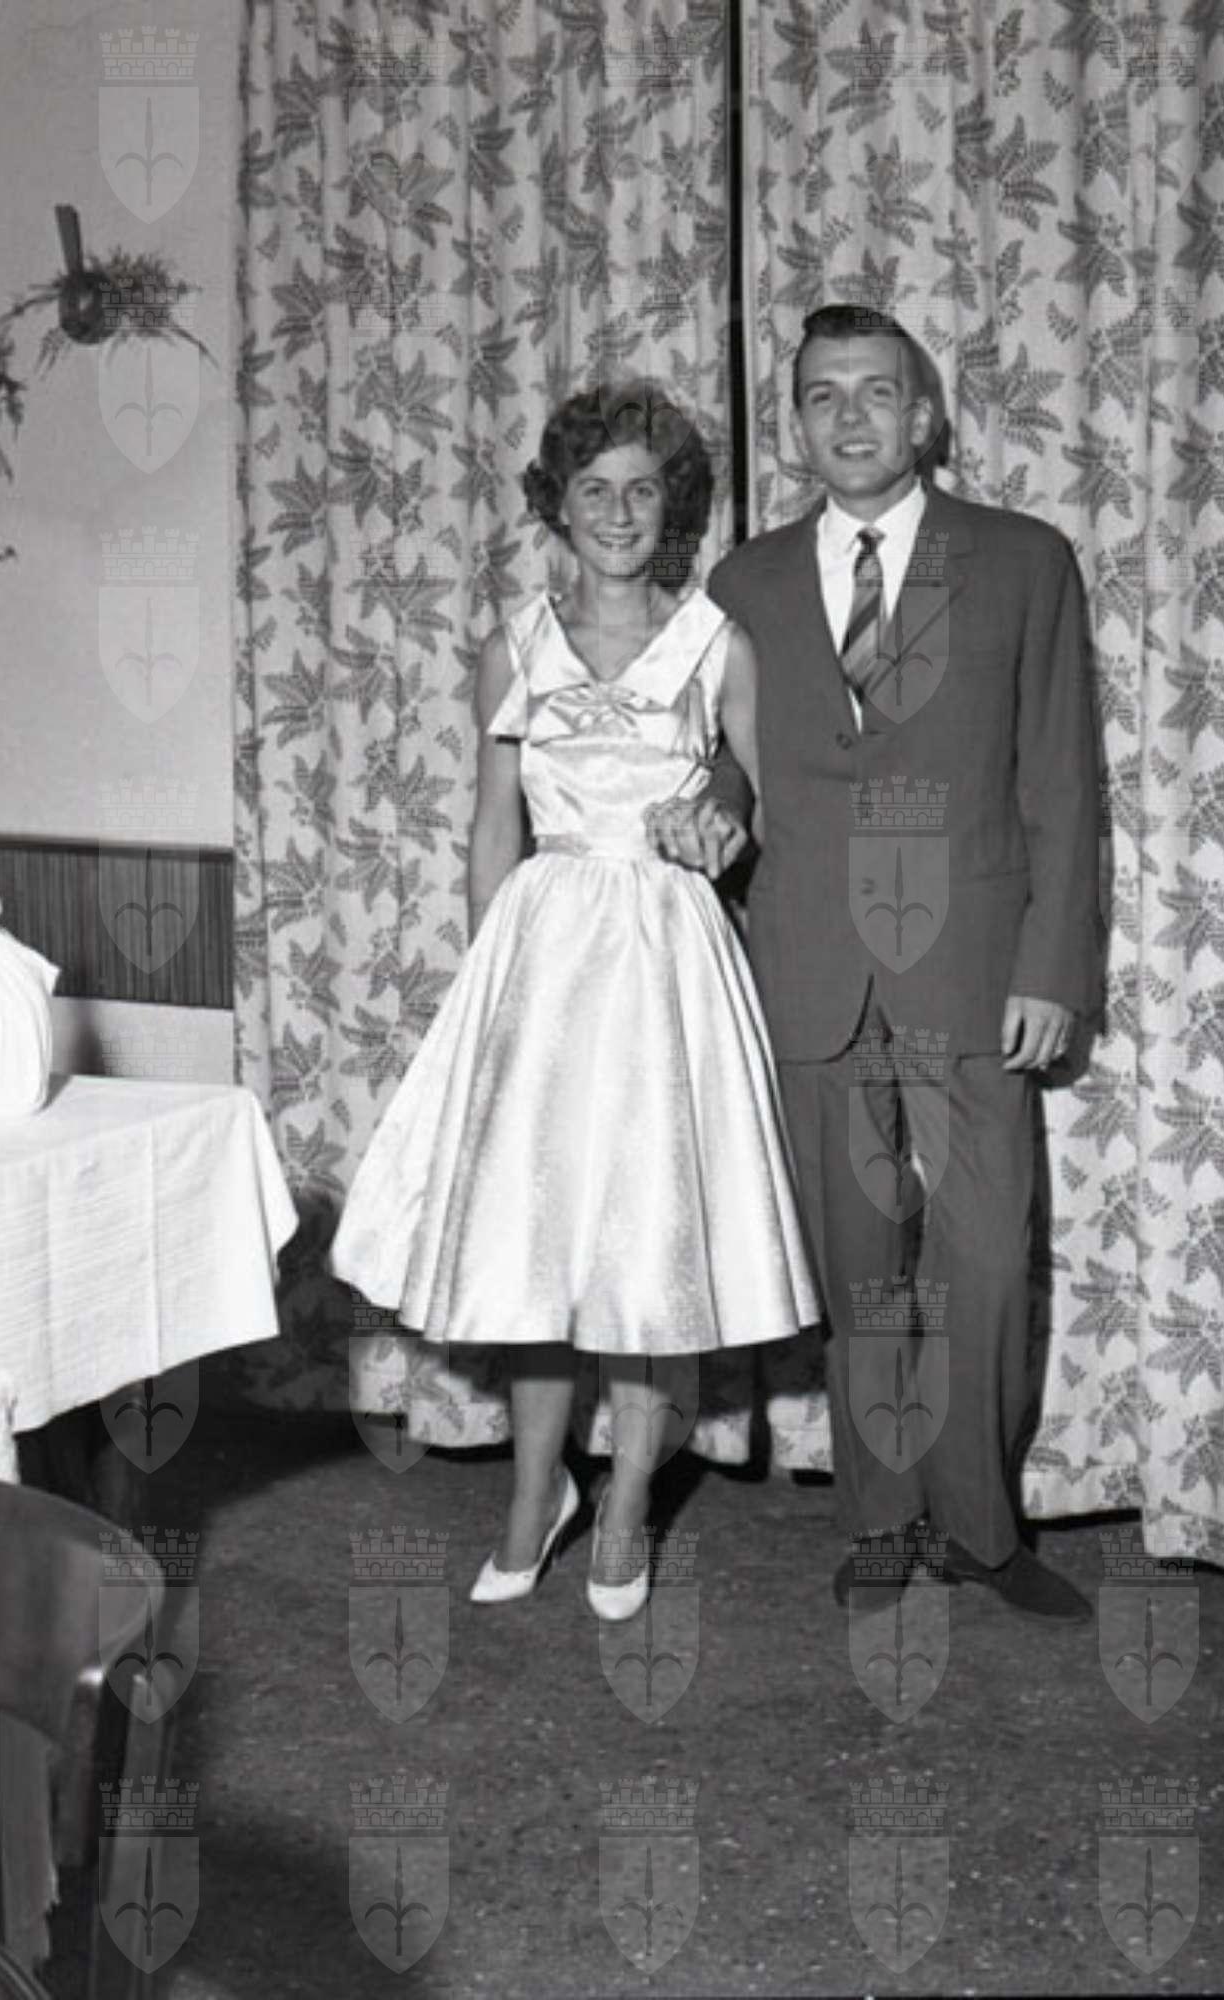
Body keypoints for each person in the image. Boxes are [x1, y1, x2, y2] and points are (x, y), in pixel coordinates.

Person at [331, 383, 819, 1621]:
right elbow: (493, 828)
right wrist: (488, 988)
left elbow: (762, 806)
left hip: (664, 961)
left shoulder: (718, 644)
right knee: (536, 1247)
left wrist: (723, 822)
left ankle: (626, 1502)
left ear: (673, 507)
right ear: (556, 504)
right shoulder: (516, 646)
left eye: (641, 488)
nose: (617, 510)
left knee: (645, 1248)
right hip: (544, 964)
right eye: (592, 488)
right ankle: (532, 1493)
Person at [652, 304, 1103, 1619]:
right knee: (860, 1264)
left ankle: (981, 1529)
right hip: (810, 964)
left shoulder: (1022, 561)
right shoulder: (742, 583)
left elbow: (1060, 779)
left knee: (984, 1264)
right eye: (822, 395)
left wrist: (1051, 968)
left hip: (973, 967)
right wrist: (711, 810)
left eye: (875, 391)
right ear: (796, 424)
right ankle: (879, 1518)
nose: (849, 416)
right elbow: (728, 762)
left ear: (922, 415)